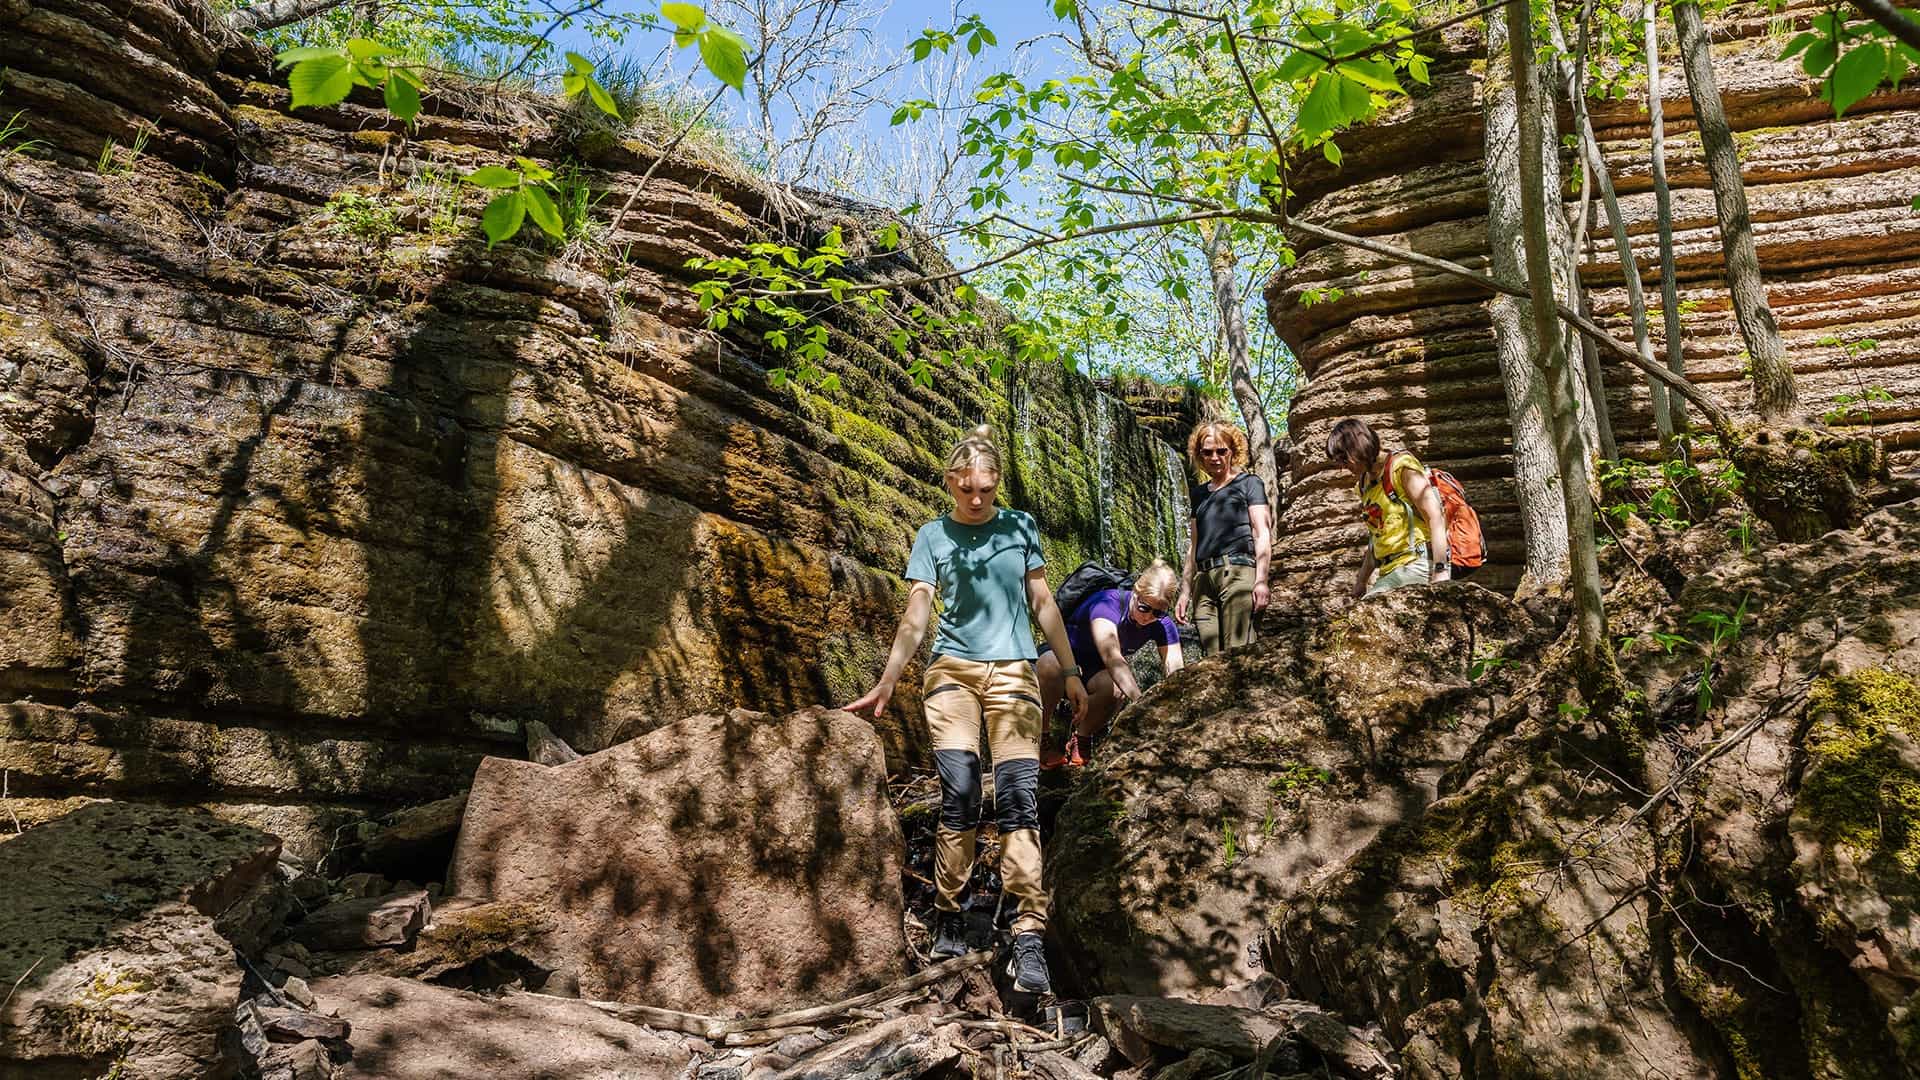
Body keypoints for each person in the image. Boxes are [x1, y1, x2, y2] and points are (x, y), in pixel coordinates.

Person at [845, 425, 1086, 996]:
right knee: (958, 790)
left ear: (996, 482)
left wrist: (1072, 671)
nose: (976, 499)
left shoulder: (1020, 526)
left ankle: (1028, 931)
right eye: (965, 488)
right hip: (950, 671)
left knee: (1019, 796)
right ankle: (950, 911)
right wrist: (887, 681)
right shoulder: (932, 535)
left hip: (1014, 673)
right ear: (950, 483)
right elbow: (917, 615)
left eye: (985, 488)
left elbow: (1043, 601)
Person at [1037, 560, 1185, 768]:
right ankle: (1041, 737)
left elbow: (1177, 673)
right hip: (1063, 657)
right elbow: (1113, 659)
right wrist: (1141, 702)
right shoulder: (1107, 603)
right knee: (1051, 664)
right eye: (1144, 607)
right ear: (1135, 593)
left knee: (1115, 688)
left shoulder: (1163, 624)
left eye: (1158, 612)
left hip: (1094, 671)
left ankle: (1081, 739)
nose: (1148, 617)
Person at [1324, 418, 1453, 598]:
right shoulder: (1364, 485)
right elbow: (1376, 538)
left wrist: (1441, 569)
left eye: (1344, 460)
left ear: (1358, 448)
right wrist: (1361, 581)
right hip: (1389, 571)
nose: (1342, 467)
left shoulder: (1401, 467)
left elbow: (1435, 517)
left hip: (1418, 564)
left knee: (1366, 615)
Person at [1175, 421, 1272, 654]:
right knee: (1210, 659)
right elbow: (1194, 546)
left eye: (1222, 451)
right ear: (1200, 455)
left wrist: (1261, 580)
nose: (1215, 457)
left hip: (1237, 573)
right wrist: (1185, 591)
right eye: (1207, 452)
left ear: (1233, 451)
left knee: (1238, 654)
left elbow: (1262, 533)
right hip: (1204, 581)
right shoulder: (1198, 494)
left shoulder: (1249, 483)